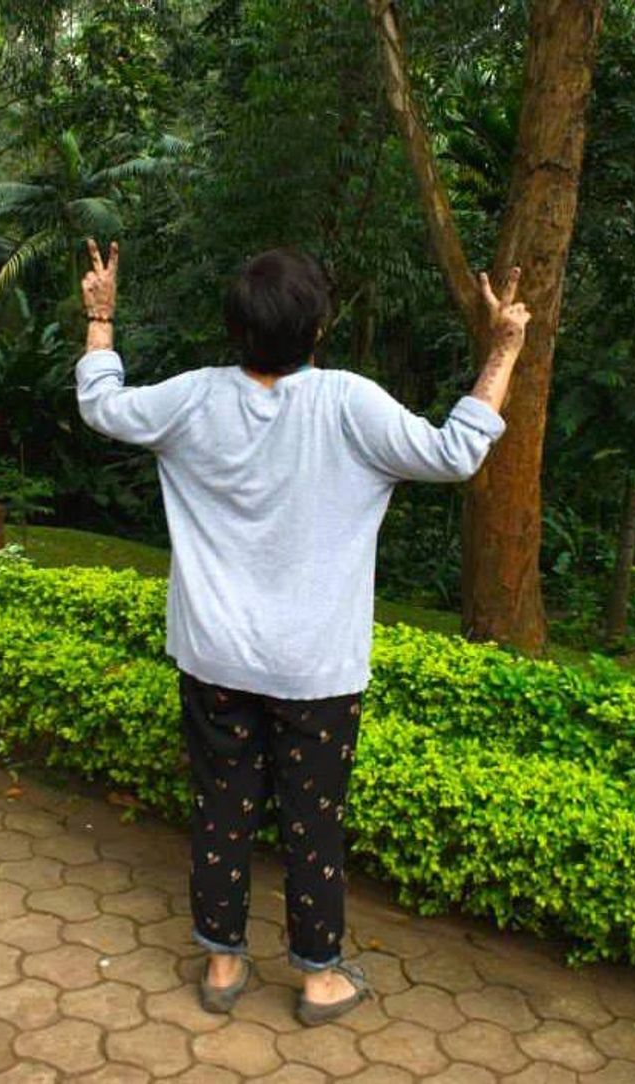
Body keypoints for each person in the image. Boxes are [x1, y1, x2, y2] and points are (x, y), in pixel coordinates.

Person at [76, 239, 531, 1025]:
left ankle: (223, 964)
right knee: (313, 822)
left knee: (221, 809)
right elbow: (458, 451)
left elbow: (101, 404)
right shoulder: (350, 403)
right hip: (316, 670)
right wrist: (505, 348)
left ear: (235, 328)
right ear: (318, 328)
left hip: (215, 656)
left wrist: (101, 316)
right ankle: (319, 979)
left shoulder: (193, 398)